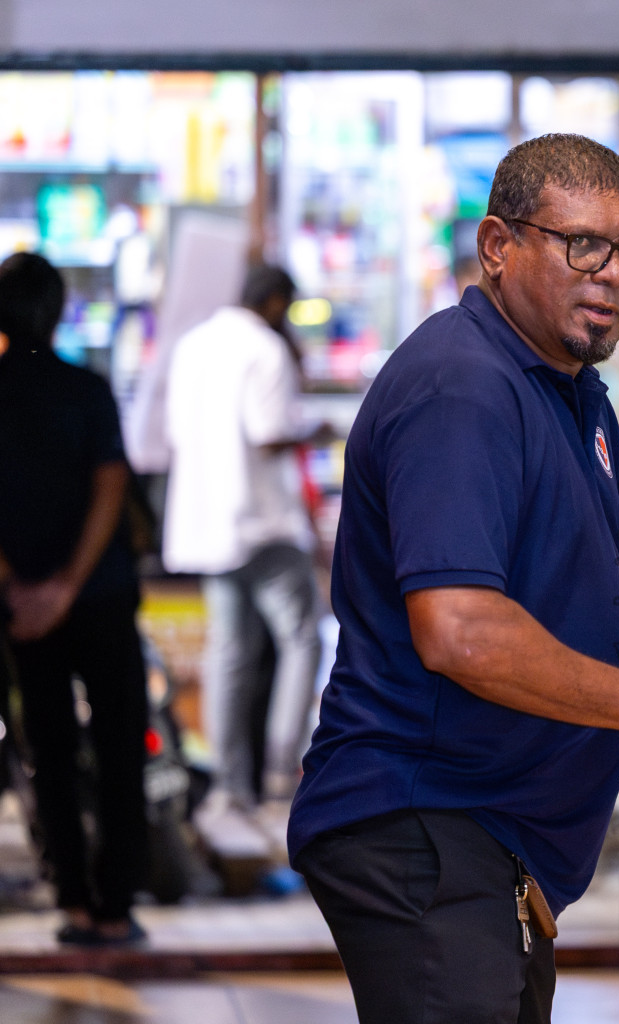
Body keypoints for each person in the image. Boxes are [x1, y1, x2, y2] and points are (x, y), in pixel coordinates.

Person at [286, 133, 619, 1024]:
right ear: (498, 246)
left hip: (486, 838)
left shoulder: (564, 386)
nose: (613, 274)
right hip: (425, 820)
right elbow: (461, 630)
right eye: (583, 245)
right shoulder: (464, 386)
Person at [0, 252, 149, 945]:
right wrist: (69, 586)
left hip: (21, 608)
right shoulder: (86, 390)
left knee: (50, 750)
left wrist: (20, 586)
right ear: (59, 311)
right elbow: (111, 486)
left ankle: (74, 903)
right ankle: (116, 905)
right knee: (119, 744)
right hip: (102, 593)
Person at [162, 265, 322, 815]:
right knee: (301, 639)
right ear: (276, 301)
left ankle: (230, 785)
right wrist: (315, 432)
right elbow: (268, 432)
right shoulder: (265, 348)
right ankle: (281, 767)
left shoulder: (192, 344)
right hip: (262, 521)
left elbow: (175, 432)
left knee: (229, 653)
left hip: (208, 523)